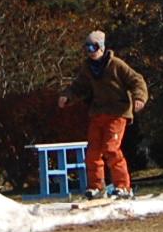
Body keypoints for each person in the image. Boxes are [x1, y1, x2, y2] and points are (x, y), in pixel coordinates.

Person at [59, 29, 147, 200]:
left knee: (111, 148)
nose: (90, 52)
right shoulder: (88, 68)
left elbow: (137, 80)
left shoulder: (116, 65)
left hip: (117, 112)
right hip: (98, 113)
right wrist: (67, 96)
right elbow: (79, 86)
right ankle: (96, 187)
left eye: (93, 47)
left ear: (101, 47)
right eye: (87, 48)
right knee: (93, 152)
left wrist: (139, 98)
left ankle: (123, 186)